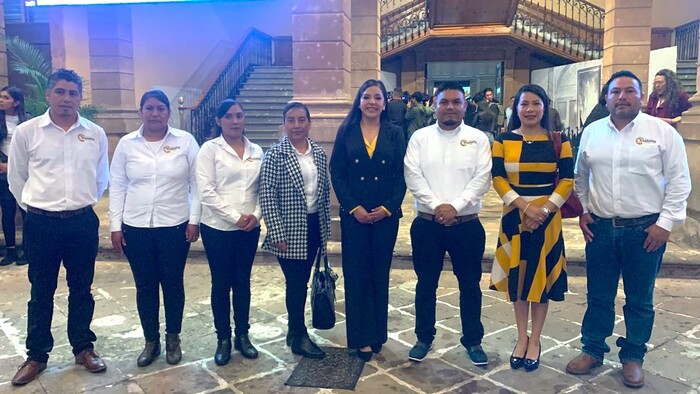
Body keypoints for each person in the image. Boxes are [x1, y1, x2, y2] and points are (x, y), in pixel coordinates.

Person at [566, 70, 691, 388]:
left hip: (644, 232)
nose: (622, 97)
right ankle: (593, 350)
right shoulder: (592, 132)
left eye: (630, 91)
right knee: (598, 296)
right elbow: (580, 176)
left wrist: (664, 224)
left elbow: (678, 181)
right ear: (606, 98)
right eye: (616, 92)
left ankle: (633, 356)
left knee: (639, 300)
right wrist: (583, 210)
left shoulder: (662, 133)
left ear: (640, 95)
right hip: (602, 230)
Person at [8, 69, 109, 385]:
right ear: (49, 94)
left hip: (81, 222)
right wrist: (37, 209)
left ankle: (83, 347)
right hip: (41, 223)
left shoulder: (95, 133)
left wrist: (81, 201)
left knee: (82, 288)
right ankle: (37, 355)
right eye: (60, 92)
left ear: (80, 97)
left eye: (73, 93)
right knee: (41, 291)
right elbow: (17, 178)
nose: (67, 98)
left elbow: (100, 177)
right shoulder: (28, 132)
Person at [109, 89, 200, 367]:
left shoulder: (185, 141)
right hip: (136, 226)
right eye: (149, 108)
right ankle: (151, 341)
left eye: (160, 108)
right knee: (145, 285)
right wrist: (115, 225)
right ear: (141, 112)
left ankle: (173, 338)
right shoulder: (127, 144)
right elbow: (118, 185)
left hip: (175, 225)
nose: (155, 114)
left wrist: (194, 219)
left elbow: (197, 184)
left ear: (168, 113)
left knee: (173, 283)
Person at [404, 81, 492, 365]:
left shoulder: (478, 138)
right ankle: (423, 337)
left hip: (466, 225)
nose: (450, 107)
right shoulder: (420, 137)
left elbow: (482, 178)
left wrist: (454, 207)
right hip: (427, 224)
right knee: (425, 284)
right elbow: (413, 176)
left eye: (456, 101)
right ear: (435, 104)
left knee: (469, 284)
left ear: (465, 105)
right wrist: (437, 207)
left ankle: (473, 340)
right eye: (445, 102)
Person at [489, 84, 574, 372]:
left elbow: (568, 180)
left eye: (536, 104)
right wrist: (526, 208)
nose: (529, 109)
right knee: (520, 281)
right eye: (524, 104)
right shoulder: (502, 140)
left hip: (548, 220)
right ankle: (520, 338)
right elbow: (498, 179)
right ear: (516, 108)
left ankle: (535, 340)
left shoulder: (558, 141)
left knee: (541, 282)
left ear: (545, 107)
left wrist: (545, 209)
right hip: (515, 216)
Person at [330, 80, 406, 362]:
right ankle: (361, 338)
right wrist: (353, 207)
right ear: (359, 101)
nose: (372, 102)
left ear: (385, 103)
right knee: (357, 275)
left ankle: (377, 334)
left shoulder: (396, 133)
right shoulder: (346, 131)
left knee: (379, 275)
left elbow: (402, 174)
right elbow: (337, 172)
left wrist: (388, 207)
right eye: (366, 97)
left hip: (385, 217)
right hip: (355, 217)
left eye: (377, 97)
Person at [260, 102, 331, 360]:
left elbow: (323, 194)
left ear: (309, 123)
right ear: (284, 124)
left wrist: (325, 232)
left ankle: (293, 331)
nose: (297, 125)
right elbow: (267, 196)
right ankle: (300, 335)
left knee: (303, 281)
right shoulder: (274, 155)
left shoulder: (320, 154)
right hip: (288, 231)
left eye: (302, 120)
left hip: (314, 226)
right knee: (296, 283)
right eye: (291, 120)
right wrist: (276, 233)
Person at [196, 99, 263, 366]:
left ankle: (243, 335)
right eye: (229, 117)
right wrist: (235, 217)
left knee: (243, 282)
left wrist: (255, 216)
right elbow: (206, 191)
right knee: (221, 283)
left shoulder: (256, 150)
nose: (235, 121)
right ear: (218, 120)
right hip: (218, 227)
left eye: (239, 116)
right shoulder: (209, 150)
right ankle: (223, 338)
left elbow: (263, 187)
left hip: (249, 228)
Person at [0, 86, 28, 266]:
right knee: (8, 212)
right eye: (0, 97)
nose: (1, 100)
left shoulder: (27, 122)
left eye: (5, 97)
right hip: (3, 171)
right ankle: (10, 250)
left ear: (16, 102)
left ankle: (27, 249)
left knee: (26, 212)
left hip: (25, 172)